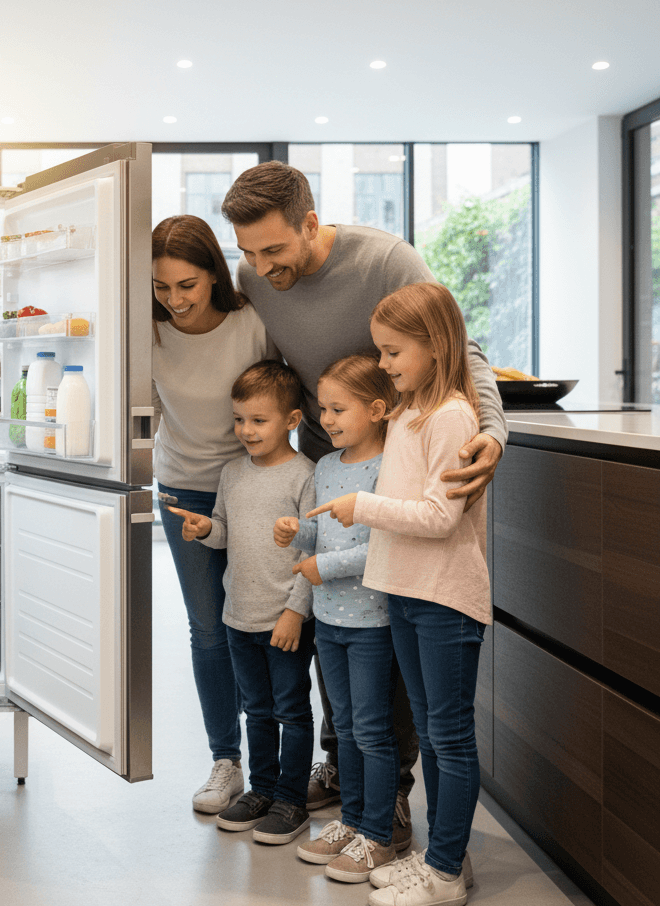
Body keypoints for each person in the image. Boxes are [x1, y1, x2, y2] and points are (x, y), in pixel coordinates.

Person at [221, 162, 507, 834]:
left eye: (273, 249)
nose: (260, 267)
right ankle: (343, 765)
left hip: (397, 465)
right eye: (248, 253)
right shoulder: (251, 278)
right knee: (337, 624)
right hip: (329, 466)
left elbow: (460, 349)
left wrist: (493, 430)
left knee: (386, 631)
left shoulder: (385, 261)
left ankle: (392, 789)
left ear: (310, 223)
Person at [310, 282, 491, 906]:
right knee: (433, 738)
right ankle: (444, 858)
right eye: (380, 352)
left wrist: (362, 506)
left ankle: (444, 873)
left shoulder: (452, 417)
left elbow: (440, 516)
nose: (383, 364)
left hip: (445, 598)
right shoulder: (411, 415)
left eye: (393, 352)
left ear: (435, 346)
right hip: (408, 594)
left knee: (450, 738)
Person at [151, 215, 279, 814]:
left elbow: (281, 398)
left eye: (187, 285)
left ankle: (277, 762)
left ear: (213, 275)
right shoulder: (147, 332)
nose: (174, 300)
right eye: (161, 287)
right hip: (183, 490)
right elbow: (142, 409)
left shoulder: (252, 323)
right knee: (207, 627)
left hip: (253, 488)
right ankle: (225, 761)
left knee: (261, 623)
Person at [168, 360, 316, 844]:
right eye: (239, 419)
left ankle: (291, 800)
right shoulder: (232, 473)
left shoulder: (304, 476)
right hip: (239, 618)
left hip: (285, 620)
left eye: (258, 420)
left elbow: (313, 550)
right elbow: (226, 533)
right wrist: (205, 530)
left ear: (291, 420)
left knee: (291, 711)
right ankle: (262, 790)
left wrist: (295, 611)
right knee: (256, 710)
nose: (246, 430)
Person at [272, 355, 406, 882]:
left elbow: (384, 546)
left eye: (337, 409)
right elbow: (321, 533)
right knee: (345, 728)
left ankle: (378, 834)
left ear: (376, 410)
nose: (325, 419)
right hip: (328, 622)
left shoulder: (391, 468)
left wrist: (321, 567)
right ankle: (351, 821)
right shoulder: (326, 467)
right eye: (322, 409)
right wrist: (296, 532)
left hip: (373, 623)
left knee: (372, 730)